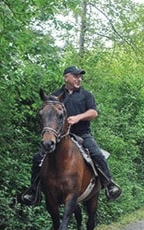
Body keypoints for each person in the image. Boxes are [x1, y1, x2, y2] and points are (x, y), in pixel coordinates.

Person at [20, 66, 122, 204]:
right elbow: (49, 113)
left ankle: (109, 185)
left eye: (80, 77)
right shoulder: (56, 96)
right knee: (38, 158)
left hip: (82, 134)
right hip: (59, 137)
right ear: (66, 77)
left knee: (97, 154)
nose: (78, 79)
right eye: (75, 76)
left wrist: (77, 118)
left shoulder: (86, 95)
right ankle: (33, 191)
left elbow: (93, 112)